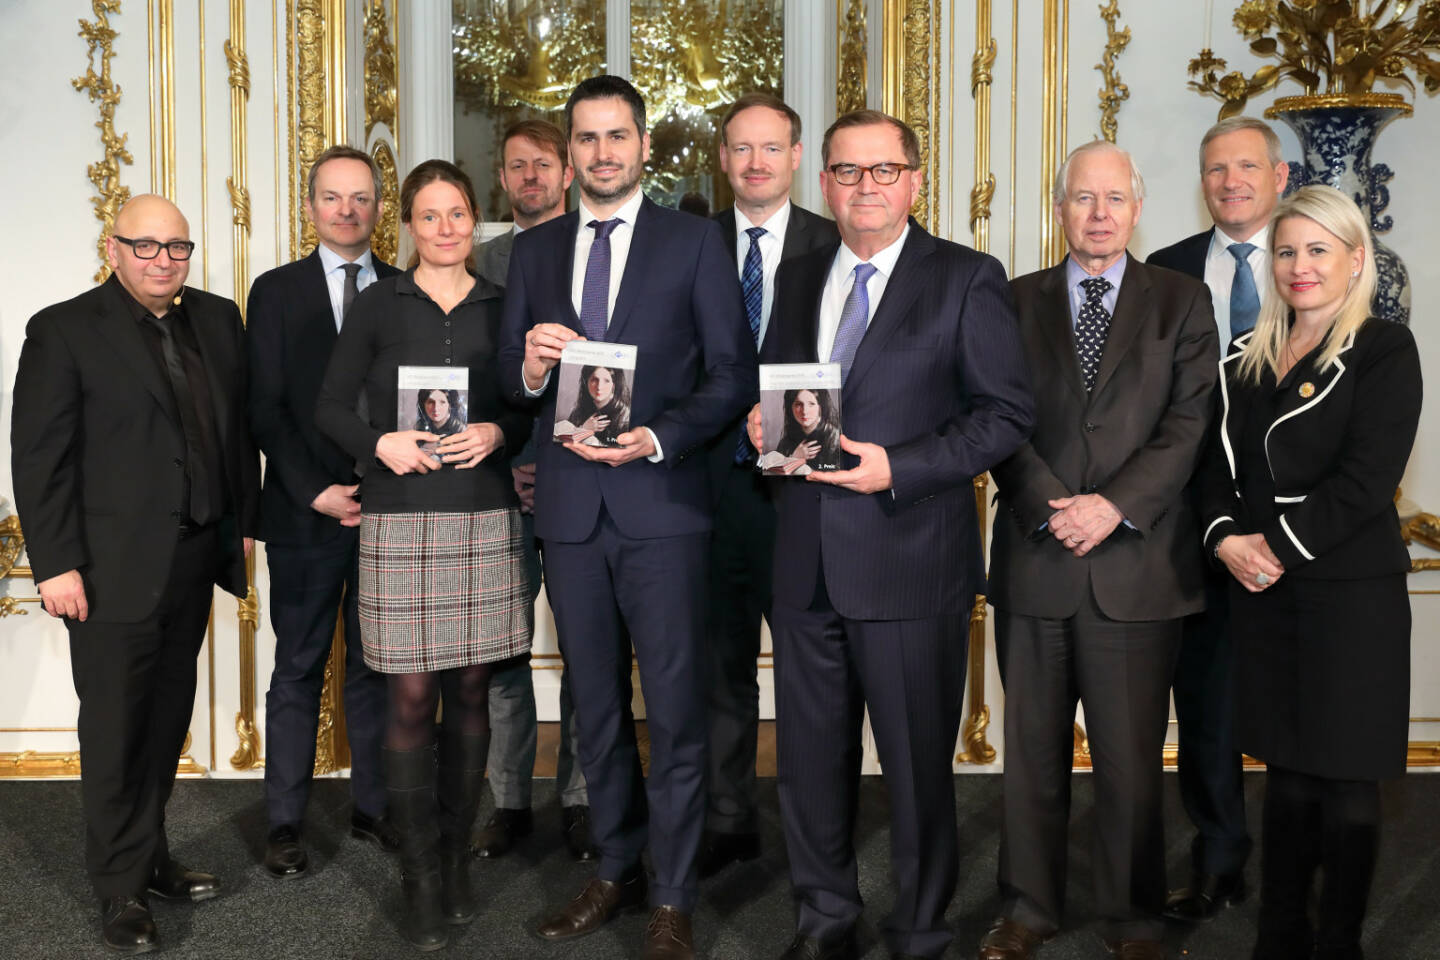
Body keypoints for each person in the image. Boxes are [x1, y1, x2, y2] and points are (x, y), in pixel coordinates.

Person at [748, 109, 1034, 960]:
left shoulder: (967, 278)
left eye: (882, 171)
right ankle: (825, 919)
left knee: (914, 772)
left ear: (914, 180)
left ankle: (921, 930)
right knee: (807, 768)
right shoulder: (796, 279)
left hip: (910, 560)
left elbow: (1006, 415)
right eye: (847, 171)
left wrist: (896, 466)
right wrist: (760, 435)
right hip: (804, 565)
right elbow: (778, 392)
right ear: (824, 181)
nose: (864, 187)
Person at [498, 75, 755, 960]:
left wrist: (656, 437)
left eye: (618, 137)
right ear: (569, 153)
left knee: (676, 709)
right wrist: (530, 370)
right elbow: (510, 383)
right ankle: (614, 867)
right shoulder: (533, 254)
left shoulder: (693, 245)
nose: (602, 152)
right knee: (594, 708)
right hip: (570, 515)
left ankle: (675, 893)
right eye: (587, 138)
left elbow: (733, 374)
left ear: (645, 146)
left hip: (663, 508)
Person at [982, 140, 1219, 960]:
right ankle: (1028, 909)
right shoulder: (1011, 302)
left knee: (1128, 762)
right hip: (1037, 559)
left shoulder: (1182, 303)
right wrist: (1057, 507)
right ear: (1059, 209)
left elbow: (1189, 424)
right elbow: (997, 420)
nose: (1099, 214)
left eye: (1114, 198)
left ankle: (1133, 916)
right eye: (1082, 198)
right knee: (1032, 761)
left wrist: (1113, 508)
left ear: (1139, 207)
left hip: (1136, 568)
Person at [11, 194, 259, 954]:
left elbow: (236, 430)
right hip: (109, 571)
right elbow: (41, 458)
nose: (163, 261)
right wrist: (54, 566)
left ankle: (149, 856)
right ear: (111, 248)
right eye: (145, 247)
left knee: (162, 725)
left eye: (177, 248)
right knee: (117, 731)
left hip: (192, 560)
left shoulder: (218, 320)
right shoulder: (63, 330)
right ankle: (118, 888)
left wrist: (242, 524)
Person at [315, 159, 534, 952]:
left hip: (482, 518)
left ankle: (453, 856)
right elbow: (330, 407)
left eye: (458, 214)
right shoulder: (378, 306)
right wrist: (382, 442)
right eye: (429, 215)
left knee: (472, 690)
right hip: (401, 522)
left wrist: (499, 431)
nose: (445, 229)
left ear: (477, 221)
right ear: (405, 225)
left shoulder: (504, 307)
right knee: (410, 698)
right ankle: (417, 878)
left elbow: (526, 404)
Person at [1198, 185, 1421, 960]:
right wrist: (1227, 538)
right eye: (1286, 251)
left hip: (1349, 596)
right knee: (1287, 775)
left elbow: (1366, 481)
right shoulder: (1242, 358)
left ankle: (1337, 943)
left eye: (1318, 249)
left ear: (1355, 259)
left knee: (1349, 782)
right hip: (1263, 593)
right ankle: (1278, 933)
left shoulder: (1385, 350)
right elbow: (1212, 471)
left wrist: (1274, 547)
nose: (1300, 266)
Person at [1147, 116, 1290, 919]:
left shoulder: (1317, 261)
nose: (1229, 182)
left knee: (1308, 703)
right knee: (1206, 703)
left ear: (1278, 175)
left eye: (1245, 167)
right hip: (1191, 525)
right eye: (1214, 170)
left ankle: (1309, 862)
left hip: (1293, 531)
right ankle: (1220, 854)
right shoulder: (1165, 272)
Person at [246, 144, 401, 881]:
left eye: (361, 198)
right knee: (299, 668)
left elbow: (414, 407)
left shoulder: (404, 290)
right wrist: (318, 491)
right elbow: (267, 410)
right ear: (311, 207)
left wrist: (375, 491)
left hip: (387, 514)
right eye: (333, 197)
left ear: (379, 208)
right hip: (306, 515)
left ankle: (374, 809)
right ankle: (284, 824)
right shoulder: (274, 292)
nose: (348, 210)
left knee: (377, 668)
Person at [701, 91, 839, 879]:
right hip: (711, 492)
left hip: (810, 494)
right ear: (723, 159)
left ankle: (813, 826)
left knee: (811, 668)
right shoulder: (688, 243)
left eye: (772, 148)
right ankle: (728, 818)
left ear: (797, 160)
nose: (756, 163)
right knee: (720, 667)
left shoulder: (838, 242)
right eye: (741, 149)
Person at [474, 117, 594, 864]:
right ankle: (507, 800)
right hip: (498, 488)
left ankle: (583, 799)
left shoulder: (602, 245)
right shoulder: (479, 259)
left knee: (589, 649)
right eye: (516, 166)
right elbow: (471, 375)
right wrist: (512, 456)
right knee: (502, 651)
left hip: (586, 481)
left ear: (568, 171)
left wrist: (551, 459)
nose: (529, 178)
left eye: (542, 165)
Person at [775, 388, 841, 470]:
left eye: (811, 404)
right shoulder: (786, 441)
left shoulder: (835, 439)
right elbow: (775, 475)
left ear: (821, 407)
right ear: (790, 408)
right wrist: (794, 458)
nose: (804, 411)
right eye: (798, 404)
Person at [565, 364, 631, 446]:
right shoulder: (578, 412)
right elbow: (563, 442)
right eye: (594, 380)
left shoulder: (625, 417)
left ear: (614, 385)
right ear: (586, 382)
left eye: (606, 381)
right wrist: (584, 429)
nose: (599, 387)